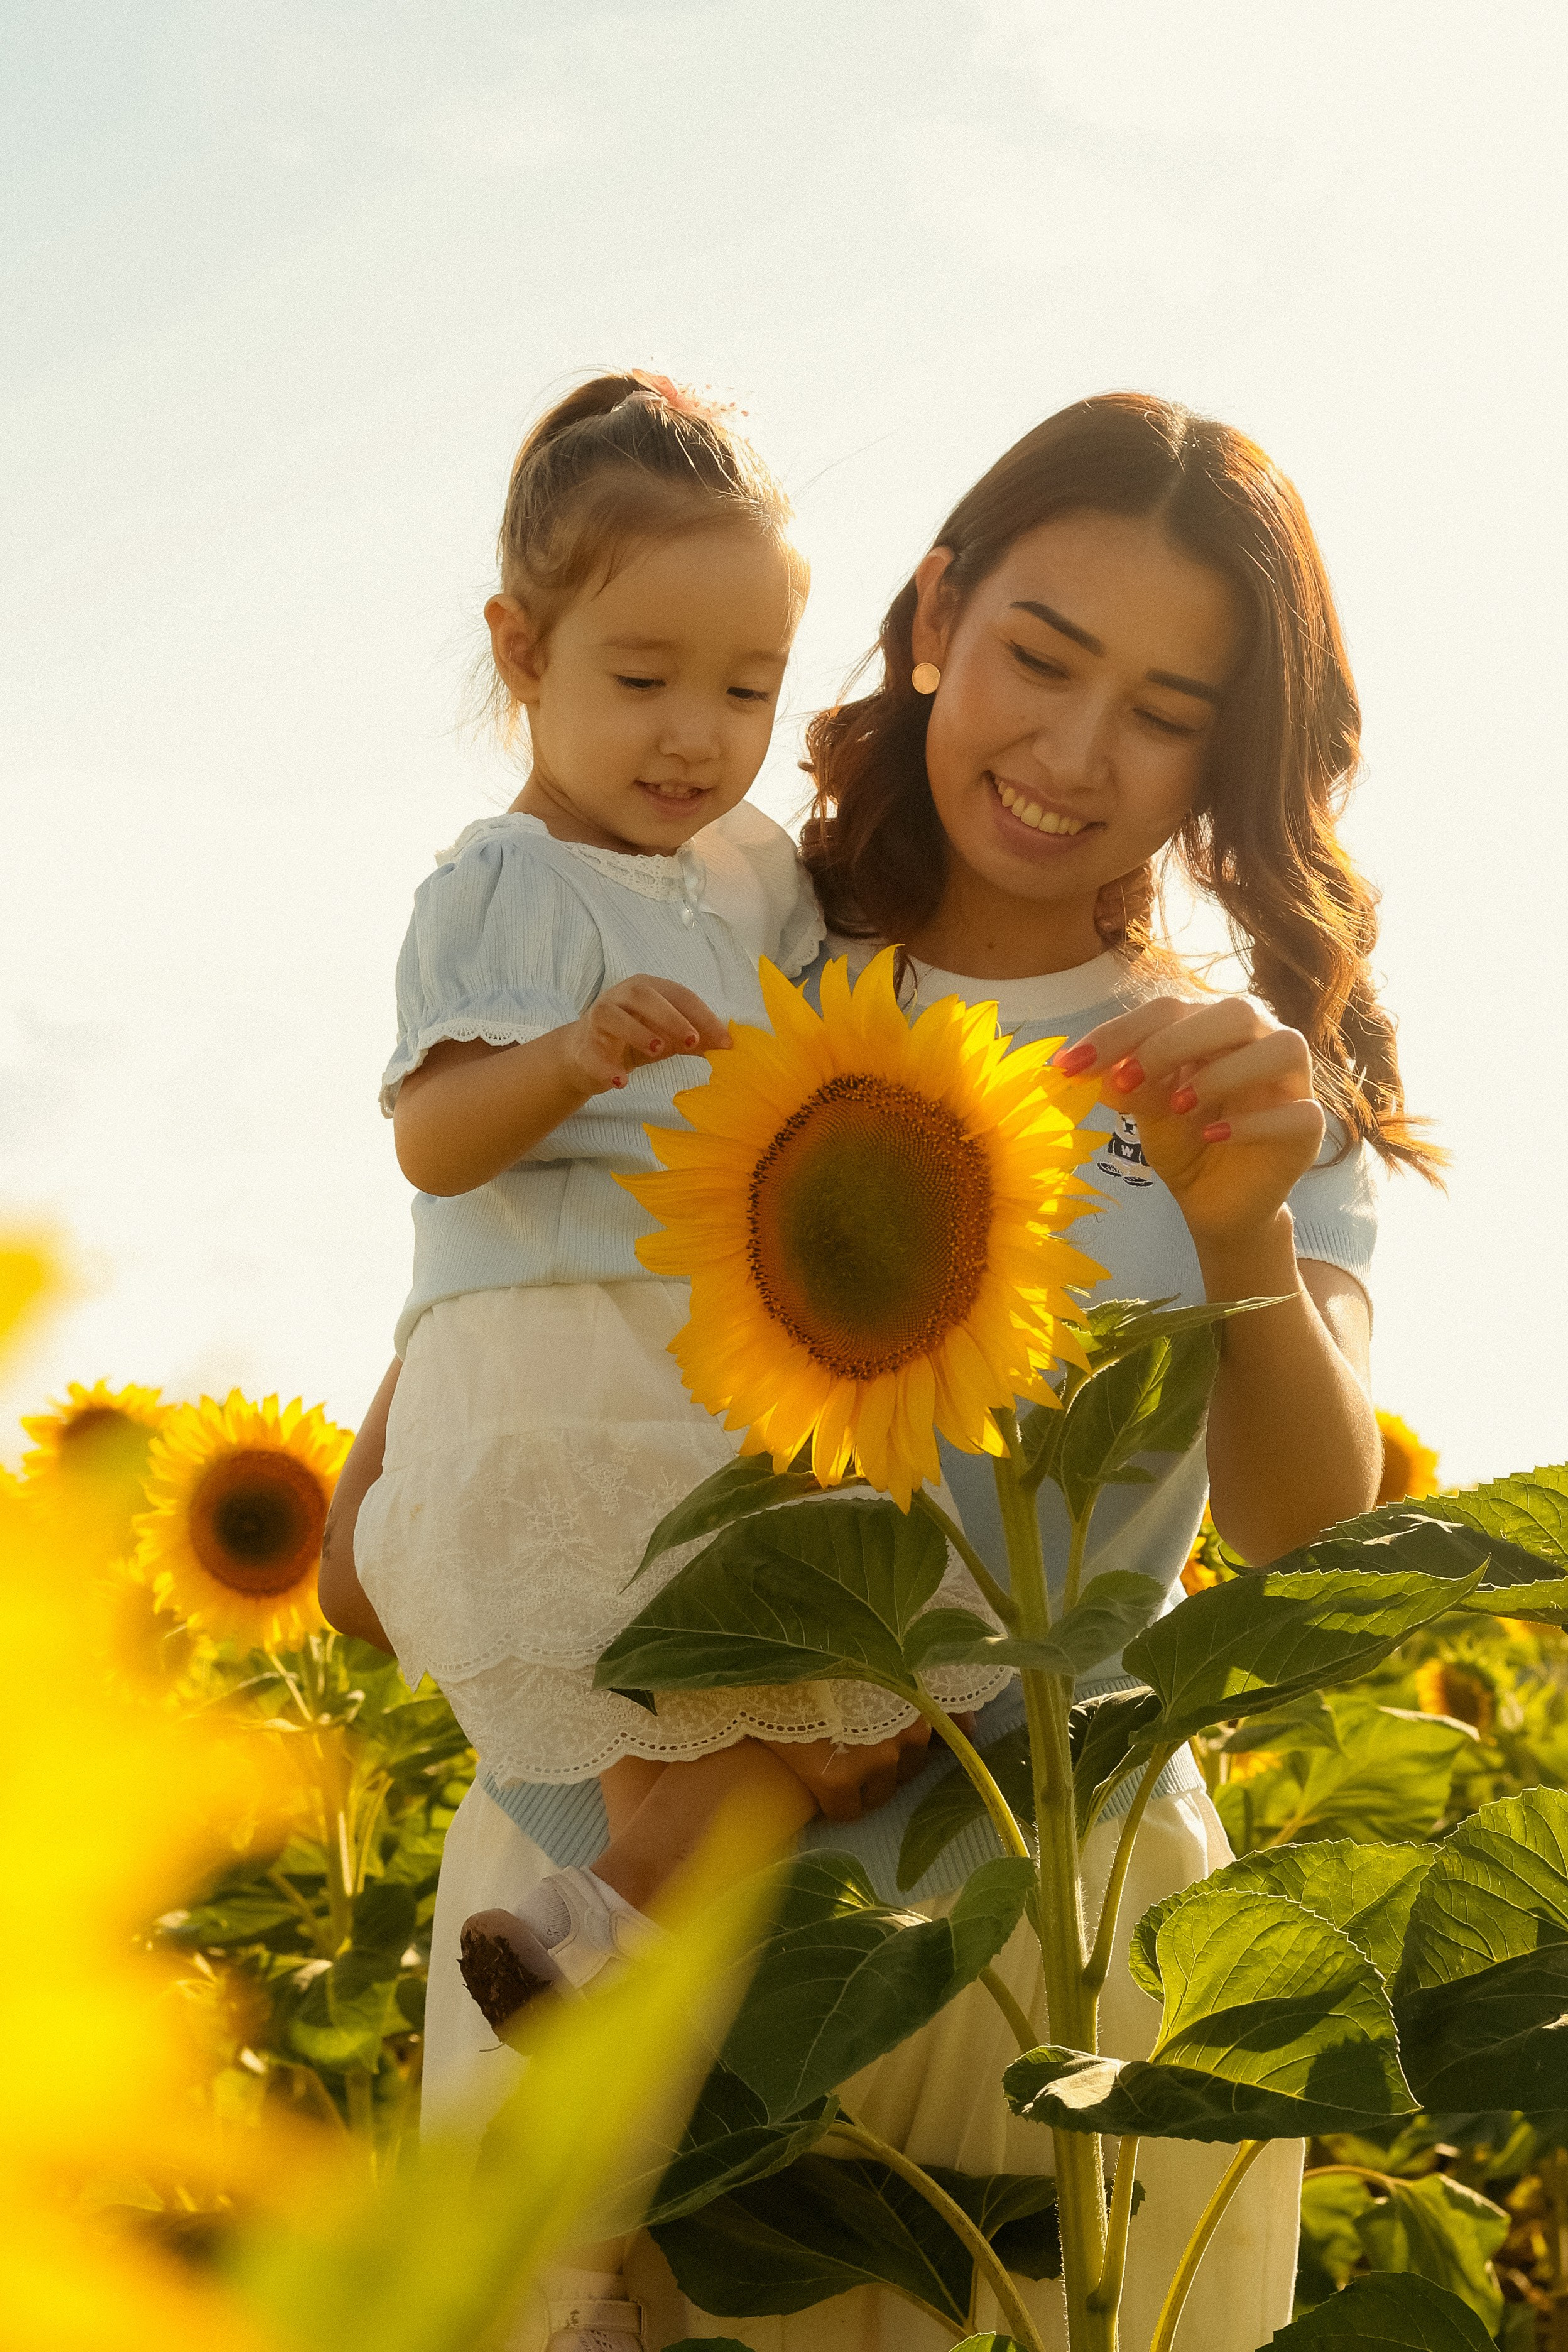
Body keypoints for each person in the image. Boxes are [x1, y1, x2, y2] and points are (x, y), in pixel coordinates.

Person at [326, 390, 1434, 2349]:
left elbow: (1303, 1530)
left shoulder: (1240, 1082)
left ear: (1229, 752)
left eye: (1168, 709)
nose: (1076, 755)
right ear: (936, 617)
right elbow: (468, 1307)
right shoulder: (718, 933)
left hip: (1037, 1929)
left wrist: (1244, 1225)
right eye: (1040, 656)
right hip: (599, 1888)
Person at [335, 372, 1008, 2351]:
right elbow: (431, 1140)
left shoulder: (753, 880)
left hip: (703, 1399)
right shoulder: (498, 886)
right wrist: (563, 1062)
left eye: (745, 688)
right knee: (746, 1761)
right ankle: (550, 2256)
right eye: (641, 679)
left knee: (742, 1797)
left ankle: (558, 2080)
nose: (694, 737)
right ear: (521, 651)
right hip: (557, 1406)